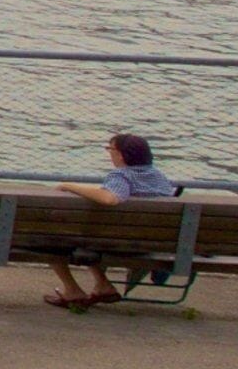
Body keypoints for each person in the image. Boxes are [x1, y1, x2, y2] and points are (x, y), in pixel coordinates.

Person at [46, 131, 180, 310]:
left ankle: (72, 290)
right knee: (90, 237)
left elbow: (110, 198)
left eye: (110, 149)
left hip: (122, 244)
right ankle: (103, 286)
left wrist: (68, 186)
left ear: (121, 154)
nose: (109, 153)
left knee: (53, 241)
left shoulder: (121, 176)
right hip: (153, 242)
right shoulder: (158, 176)